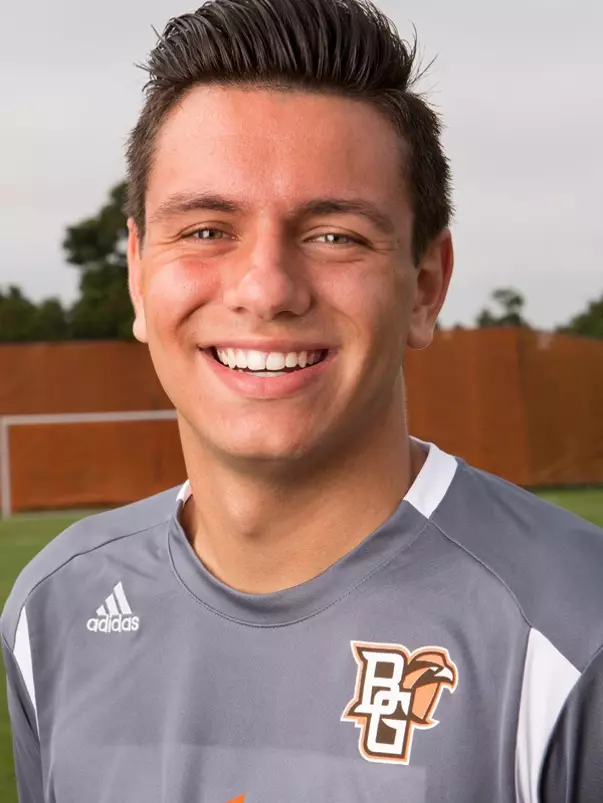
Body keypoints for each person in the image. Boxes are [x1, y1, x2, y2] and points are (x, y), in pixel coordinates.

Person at [2, 0, 603, 800]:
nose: (266, 289)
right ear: (139, 273)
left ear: (425, 286)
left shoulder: (575, 631)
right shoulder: (55, 608)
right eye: (206, 229)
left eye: (334, 236)